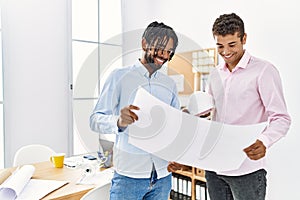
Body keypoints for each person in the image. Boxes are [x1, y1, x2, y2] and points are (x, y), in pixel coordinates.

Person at [90, 21, 181, 199]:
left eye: (169, 51)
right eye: (160, 48)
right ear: (144, 43)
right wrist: (119, 121)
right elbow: (95, 119)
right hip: (129, 177)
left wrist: (177, 154)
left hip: (163, 177)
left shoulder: (169, 84)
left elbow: (174, 128)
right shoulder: (119, 77)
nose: (164, 55)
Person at [205, 13, 291, 200]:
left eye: (232, 45)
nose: (226, 52)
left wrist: (264, 141)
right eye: (220, 46)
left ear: (244, 39)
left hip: (246, 170)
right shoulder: (214, 75)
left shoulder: (264, 71)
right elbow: (208, 111)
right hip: (214, 167)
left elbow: (281, 118)